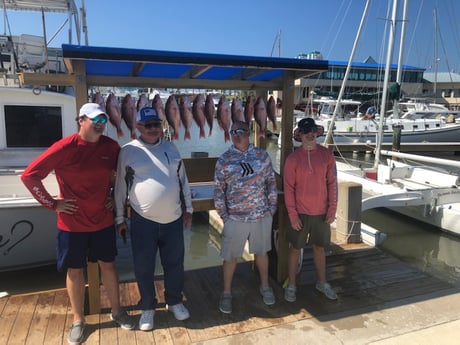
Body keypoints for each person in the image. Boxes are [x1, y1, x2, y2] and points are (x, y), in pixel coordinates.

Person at [21, 103, 135, 345]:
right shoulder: (64, 147)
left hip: (102, 221)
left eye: (103, 120)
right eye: (95, 119)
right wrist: (52, 204)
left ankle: (117, 312)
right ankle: (78, 320)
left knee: (109, 266)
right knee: (75, 271)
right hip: (71, 225)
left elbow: (122, 175)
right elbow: (29, 176)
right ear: (80, 120)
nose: (100, 124)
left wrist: (113, 194)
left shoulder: (111, 147)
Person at [114, 107, 193, 331]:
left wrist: (189, 208)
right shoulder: (128, 151)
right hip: (143, 221)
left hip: (174, 219)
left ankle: (174, 301)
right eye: (147, 125)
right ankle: (147, 306)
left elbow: (183, 180)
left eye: (156, 124)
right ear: (138, 127)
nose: (153, 129)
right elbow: (120, 187)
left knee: (175, 264)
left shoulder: (171, 146)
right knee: (143, 267)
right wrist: (119, 217)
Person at [213, 120, 278, 314]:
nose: (236, 135)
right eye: (233, 132)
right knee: (230, 257)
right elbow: (218, 189)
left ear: (248, 132)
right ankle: (226, 293)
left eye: (240, 131)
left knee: (261, 253)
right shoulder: (224, 159)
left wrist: (271, 209)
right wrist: (224, 216)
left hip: (261, 216)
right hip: (235, 218)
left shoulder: (262, 155)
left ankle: (265, 286)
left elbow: (271, 184)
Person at [283, 117, 338, 302]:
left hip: (321, 213)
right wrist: (292, 215)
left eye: (312, 131)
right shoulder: (293, 159)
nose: (310, 135)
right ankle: (291, 285)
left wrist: (332, 209)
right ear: (300, 135)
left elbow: (332, 183)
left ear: (317, 132)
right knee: (294, 249)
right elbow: (288, 188)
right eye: (306, 132)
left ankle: (322, 282)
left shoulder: (327, 155)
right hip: (299, 213)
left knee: (319, 248)